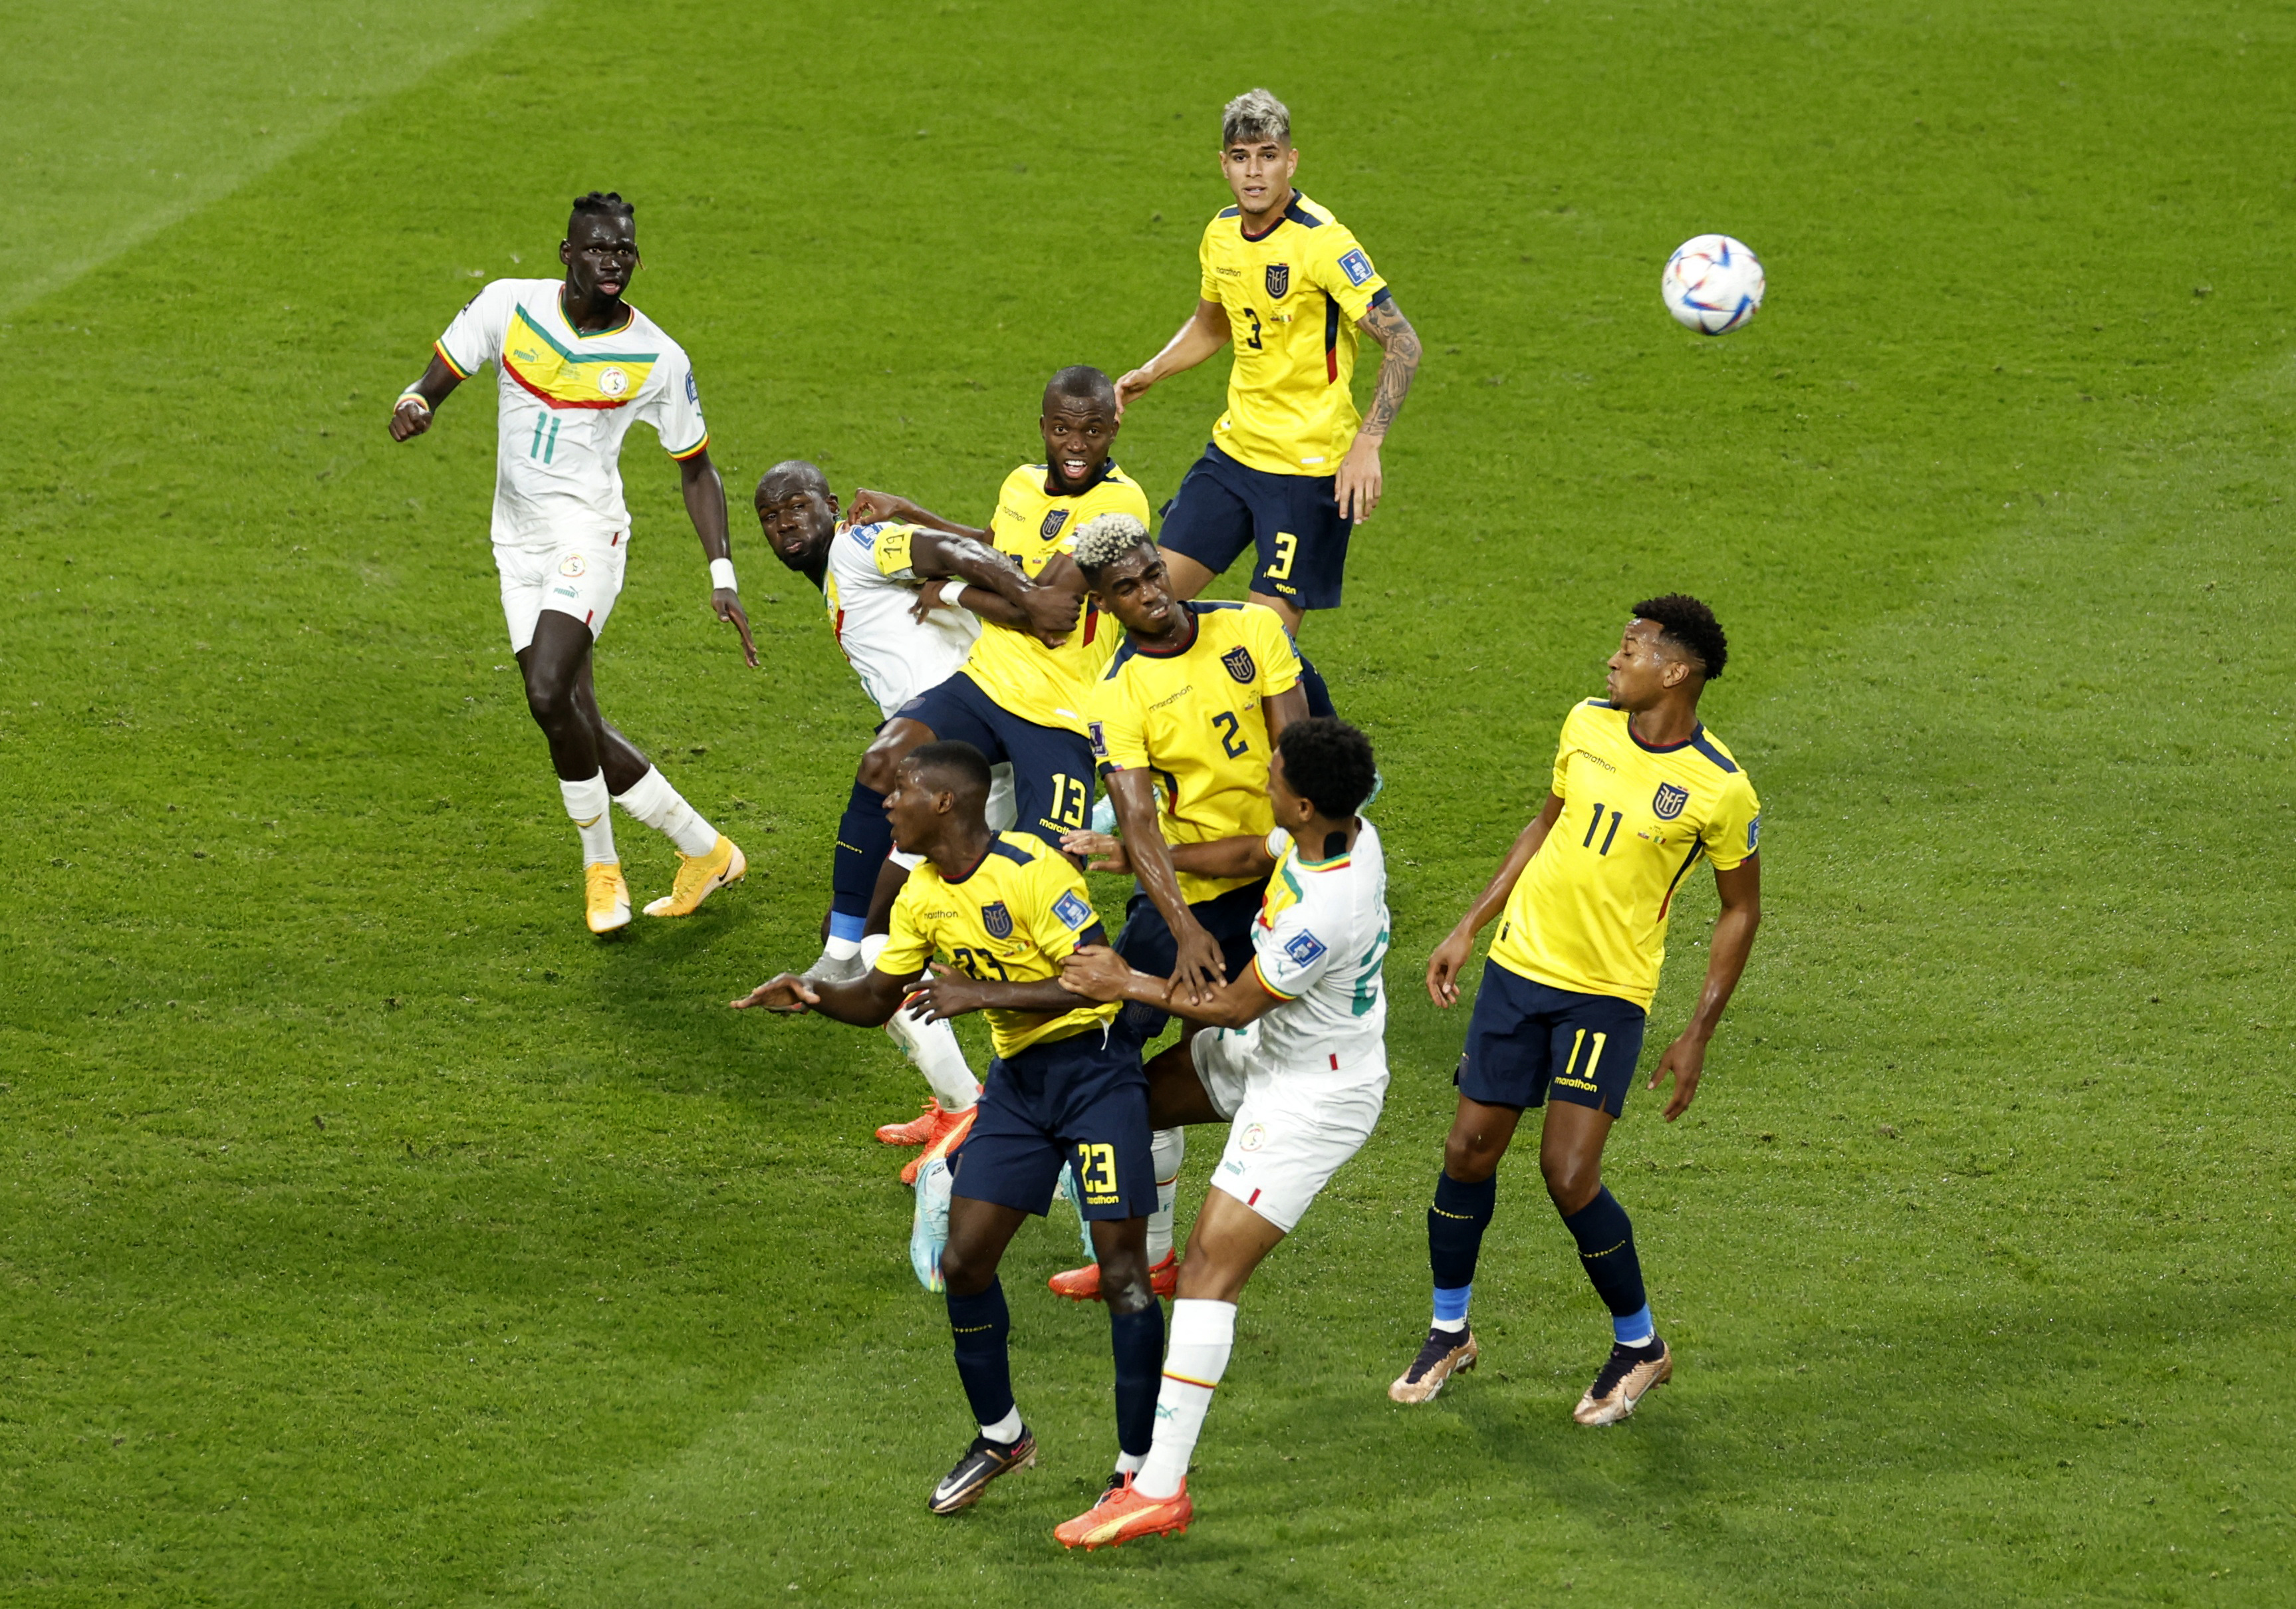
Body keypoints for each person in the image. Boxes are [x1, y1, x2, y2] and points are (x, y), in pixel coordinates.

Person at [730, 742, 1164, 1515]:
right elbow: (877, 996)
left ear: (945, 804)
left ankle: (1139, 1470)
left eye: (900, 792)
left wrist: (981, 991)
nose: (886, 802)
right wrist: (815, 995)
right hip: (1021, 1088)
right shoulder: (920, 894)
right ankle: (1003, 1437)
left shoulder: (1032, 866)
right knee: (964, 1262)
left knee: (1124, 1274)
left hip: (1096, 1073)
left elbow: (1098, 975)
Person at [1388, 597, 1763, 1427]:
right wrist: (1469, 923)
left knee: (1568, 1172)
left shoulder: (1720, 786)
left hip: (1606, 994)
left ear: (1677, 670)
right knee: (1467, 1150)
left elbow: (1742, 907)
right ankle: (1450, 1331)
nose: (1613, 658)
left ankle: (1641, 1345)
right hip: (1519, 969)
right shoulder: (1586, 723)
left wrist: (1697, 1030)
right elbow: (1546, 823)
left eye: (1631, 647)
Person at [1047, 717, 1388, 1548]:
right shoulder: (1342, 829)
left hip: (1313, 1096)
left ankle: (1158, 1487)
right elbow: (1249, 855)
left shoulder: (1326, 911)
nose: (1263, 774)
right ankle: (1150, 1252)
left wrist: (1122, 977)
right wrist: (1129, 854)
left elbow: (1232, 1004)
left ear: (1305, 802)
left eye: (1273, 772)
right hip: (1273, 1051)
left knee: (1212, 1275)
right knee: (1135, 1100)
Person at [389, 191, 753, 934]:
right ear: (566, 254)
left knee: (552, 689)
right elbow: (438, 376)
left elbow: (697, 468)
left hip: (589, 536)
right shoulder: (508, 307)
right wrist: (417, 403)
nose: (613, 262)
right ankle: (704, 849)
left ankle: (603, 870)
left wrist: (722, 572)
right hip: (514, 542)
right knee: (565, 711)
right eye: (597, 248)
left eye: (624, 250)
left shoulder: (657, 356)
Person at [757, 459, 1074, 1168]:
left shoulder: (855, 546)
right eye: (771, 517)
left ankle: (972, 1110)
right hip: (965, 764)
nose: (785, 524)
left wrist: (1010, 587)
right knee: (905, 936)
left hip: (959, 769)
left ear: (832, 506)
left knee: (877, 938)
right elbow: (977, 542)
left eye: (797, 505)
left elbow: (960, 551)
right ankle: (964, 1102)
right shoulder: (846, 572)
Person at [803, 366, 1148, 983]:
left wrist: (953, 593)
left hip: (1063, 712)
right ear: (1043, 426)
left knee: (1044, 868)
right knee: (883, 763)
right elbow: (993, 544)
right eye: (1064, 429)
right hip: (985, 683)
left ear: (1113, 429)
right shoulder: (1019, 483)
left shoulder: (1118, 505)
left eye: (1093, 431)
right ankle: (841, 954)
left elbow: (1047, 614)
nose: (1076, 445)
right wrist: (910, 511)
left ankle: (1017, 991)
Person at [1041, 513, 1309, 1302]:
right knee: (1111, 1049)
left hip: (1278, 878)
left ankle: (1212, 1228)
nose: (1152, 595)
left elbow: (1299, 757)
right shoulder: (1117, 693)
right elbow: (1138, 824)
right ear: (1102, 605)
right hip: (1188, 891)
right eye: (1127, 589)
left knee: (1240, 1052)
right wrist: (1185, 927)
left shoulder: (1253, 631)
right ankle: (1145, 1252)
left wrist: (1299, 861)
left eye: (1154, 574)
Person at [1116, 88, 1422, 644]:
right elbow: (1213, 324)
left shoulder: (1322, 243)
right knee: (1148, 610)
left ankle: (1298, 728)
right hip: (1233, 456)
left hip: (1306, 475)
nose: (1254, 172)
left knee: (1258, 652)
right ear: (1223, 165)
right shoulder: (1221, 234)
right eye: (1241, 157)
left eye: (1267, 155)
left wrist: (1367, 445)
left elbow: (1403, 343)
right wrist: (1152, 371)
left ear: (1291, 160)